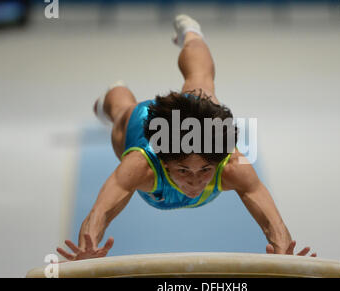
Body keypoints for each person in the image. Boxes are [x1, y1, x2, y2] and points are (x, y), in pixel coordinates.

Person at [57, 14, 316, 261]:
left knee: (201, 83)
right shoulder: (140, 165)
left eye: (205, 169)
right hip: (139, 121)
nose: (194, 181)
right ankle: (114, 95)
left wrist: (284, 253)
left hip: (197, 125)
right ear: (164, 161)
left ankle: (191, 35)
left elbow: (274, 223)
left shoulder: (233, 166)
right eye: (183, 170)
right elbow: (99, 212)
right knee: (122, 109)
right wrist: (86, 247)